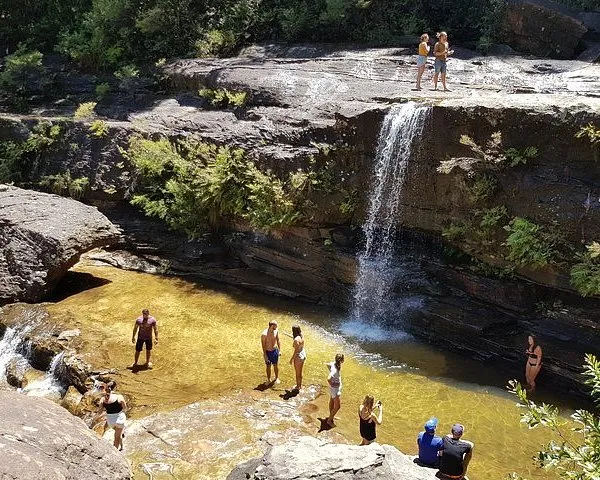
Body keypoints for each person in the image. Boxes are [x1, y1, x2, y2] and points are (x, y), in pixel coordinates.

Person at [96, 381, 127, 450]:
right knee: (116, 438)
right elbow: (125, 408)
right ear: (115, 388)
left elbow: (99, 412)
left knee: (117, 432)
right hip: (120, 419)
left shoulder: (102, 399)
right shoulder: (119, 397)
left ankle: (122, 446)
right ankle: (115, 452)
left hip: (110, 421)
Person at [326, 353, 345, 426]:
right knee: (337, 406)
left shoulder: (334, 364)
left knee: (332, 401)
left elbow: (327, 364)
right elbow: (328, 378)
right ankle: (329, 420)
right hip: (335, 389)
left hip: (333, 389)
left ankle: (331, 416)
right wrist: (332, 384)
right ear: (342, 360)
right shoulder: (335, 370)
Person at [261, 320, 281, 384]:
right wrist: (265, 355)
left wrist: (279, 350)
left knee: (275, 365)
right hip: (268, 352)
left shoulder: (276, 331)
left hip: (275, 351)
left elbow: (278, 340)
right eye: (276, 325)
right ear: (272, 326)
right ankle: (269, 379)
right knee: (268, 366)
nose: (277, 326)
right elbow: (263, 345)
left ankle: (277, 378)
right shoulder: (264, 334)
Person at [288, 324, 306, 391]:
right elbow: (298, 342)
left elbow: (296, 351)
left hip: (298, 356)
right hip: (303, 354)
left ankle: (298, 387)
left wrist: (291, 359)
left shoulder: (296, 340)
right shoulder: (301, 335)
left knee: (297, 373)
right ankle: (300, 385)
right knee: (300, 372)